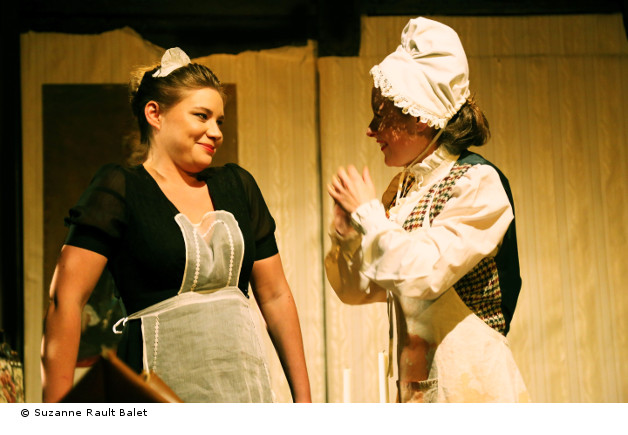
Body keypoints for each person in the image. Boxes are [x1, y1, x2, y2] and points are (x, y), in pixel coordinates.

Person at [41, 47, 311, 403]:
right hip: (157, 393)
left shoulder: (237, 186)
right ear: (155, 113)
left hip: (243, 395)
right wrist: (55, 416)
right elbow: (66, 300)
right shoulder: (121, 189)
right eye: (202, 116)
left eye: (219, 121)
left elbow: (275, 296)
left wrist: (305, 405)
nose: (215, 132)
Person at [325, 17, 529, 402]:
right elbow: (361, 291)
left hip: (471, 393)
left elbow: (423, 273)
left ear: (419, 116)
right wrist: (348, 236)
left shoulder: (476, 183)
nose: (371, 129)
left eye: (382, 113)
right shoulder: (404, 192)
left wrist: (369, 215)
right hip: (417, 394)